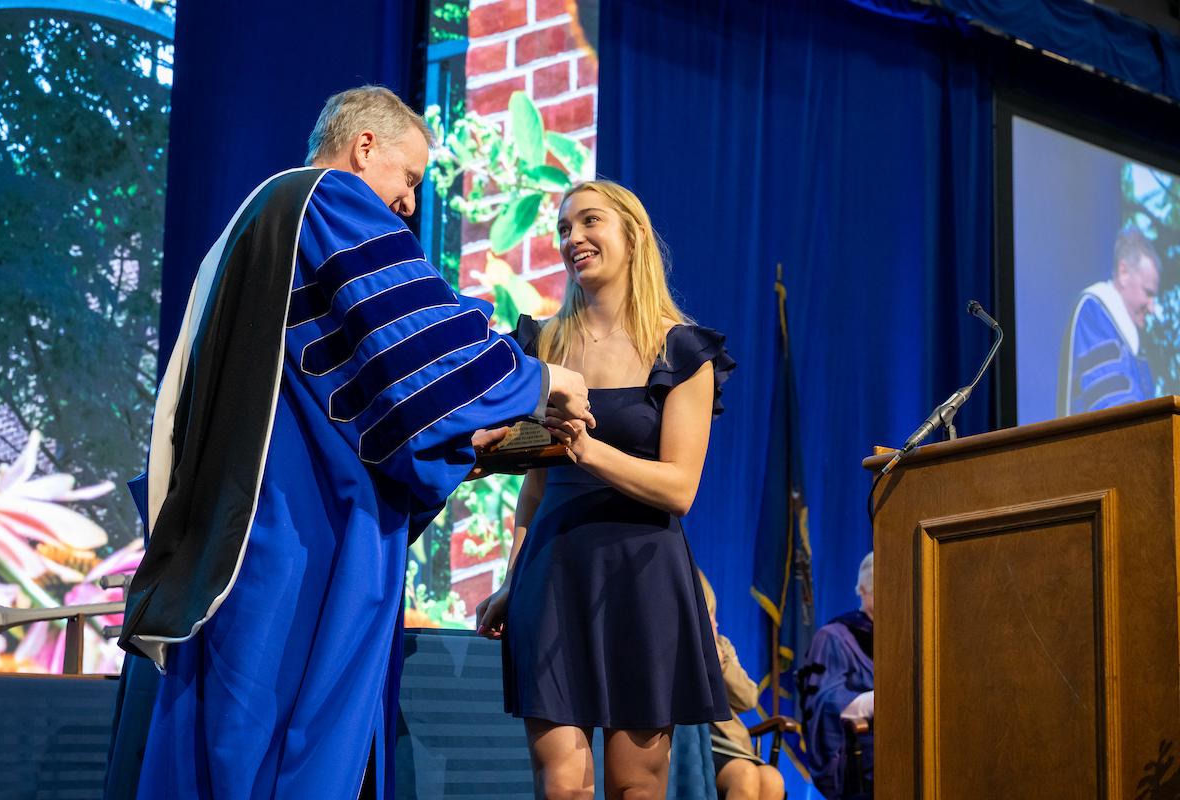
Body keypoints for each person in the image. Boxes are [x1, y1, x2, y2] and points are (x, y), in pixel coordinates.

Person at [114, 85, 594, 800]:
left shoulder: (251, 224)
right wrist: (540, 376)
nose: (407, 204)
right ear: (364, 146)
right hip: (295, 534)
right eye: (409, 179)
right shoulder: (326, 199)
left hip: (233, 528)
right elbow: (418, 340)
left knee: (224, 747)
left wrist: (476, 435)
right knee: (282, 746)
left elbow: (347, 391)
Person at [475, 179, 735, 800]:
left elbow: (679, 489)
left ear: (633, 235)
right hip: (553, 573)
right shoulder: (540, 345)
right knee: (561, 784)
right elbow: (534, 489)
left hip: (643, 577)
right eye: (565, 229)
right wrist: (513, 581)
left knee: (635, 786)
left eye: (590, 222)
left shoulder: (682, 350)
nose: (574, 239)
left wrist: (586, 450)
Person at [697, 571, 786, 800]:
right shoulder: (672, 646)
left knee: (772, 779)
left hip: (729, 742)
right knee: (745, 775)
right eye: (709, 615)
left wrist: (722, 664)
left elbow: (748, 699)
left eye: (714, 614)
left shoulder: (722, 647)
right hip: (694, 742)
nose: (715, 623)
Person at [1060, 226, 1162, 416]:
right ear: (1123, 272)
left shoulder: (1133, 340)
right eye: (1148, 293)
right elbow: (1112, 408)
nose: (1152, 307)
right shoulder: (1094, 311)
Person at [797, 552, 875, 800]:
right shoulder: (834, 637)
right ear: (862, 591)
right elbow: (826, 705)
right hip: (861, 751)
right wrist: (878, 701)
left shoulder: (908, 633)